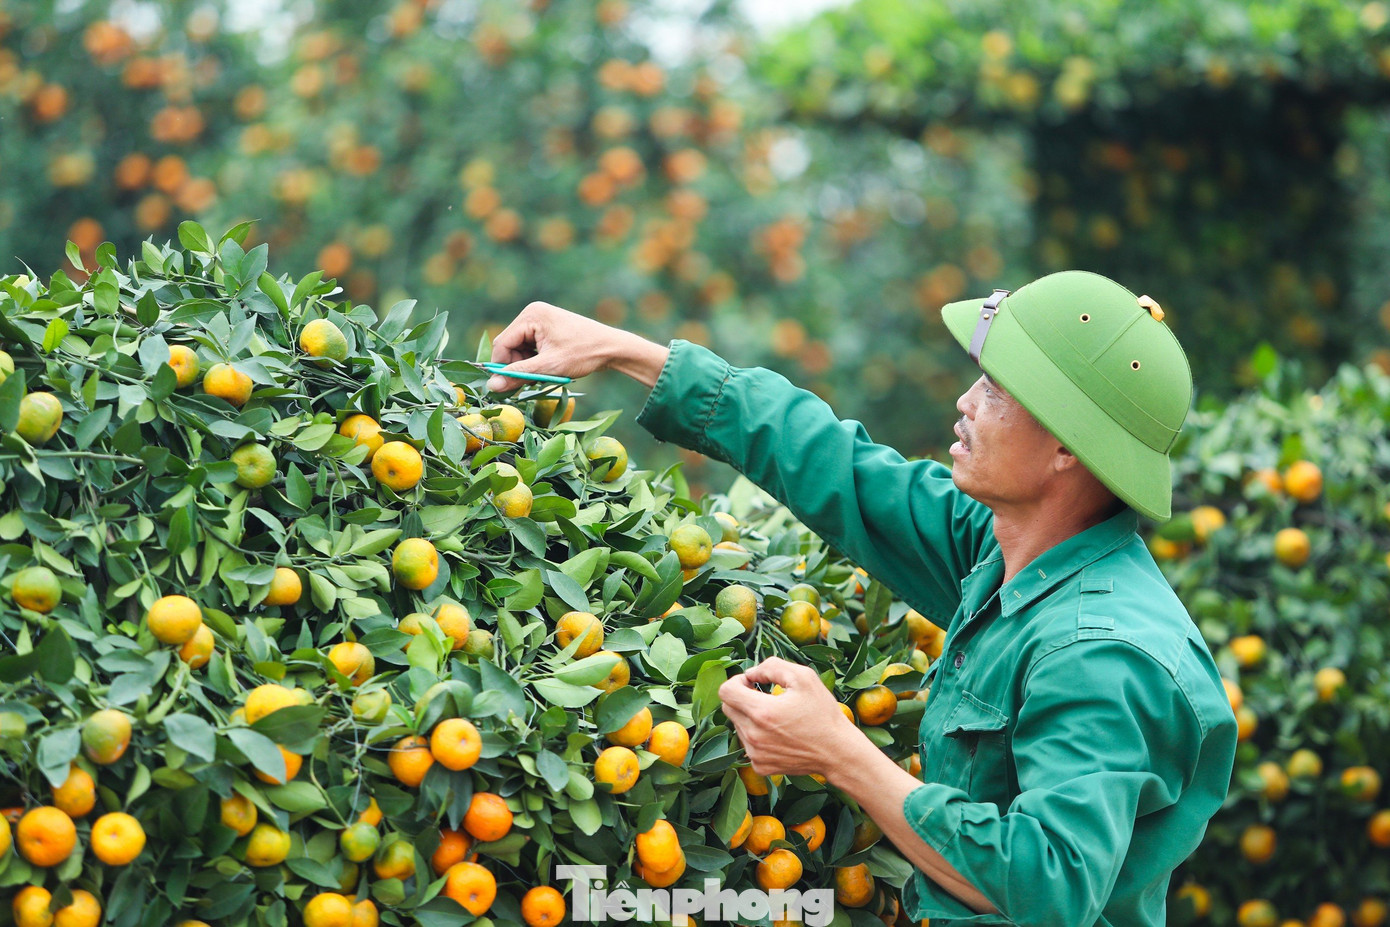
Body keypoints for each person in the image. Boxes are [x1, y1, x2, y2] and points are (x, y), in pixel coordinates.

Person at [486, 270, 1238, 927]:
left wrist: (839, 752)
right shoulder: (1004, 545)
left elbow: (1049, 885)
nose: (966, 400)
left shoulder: (1101, 652)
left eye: (997, 390)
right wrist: (621, 349)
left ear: (1067, 448)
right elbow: (832, 462)